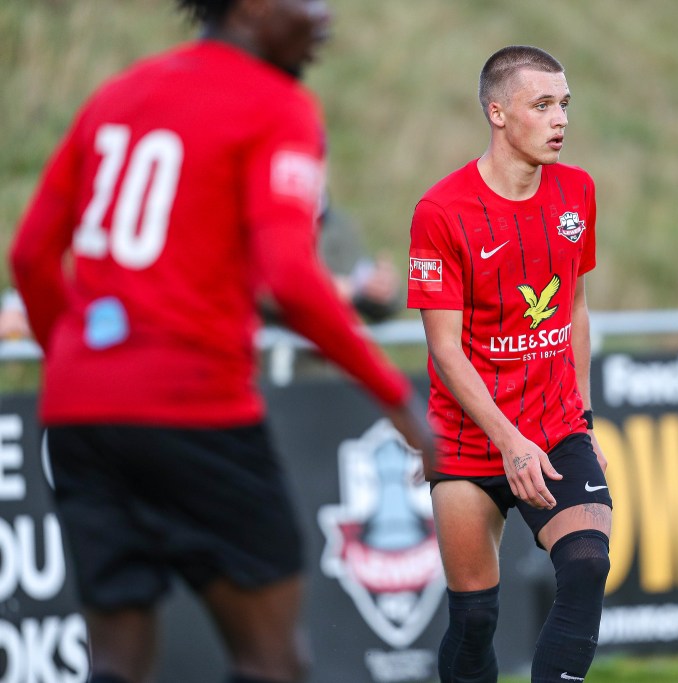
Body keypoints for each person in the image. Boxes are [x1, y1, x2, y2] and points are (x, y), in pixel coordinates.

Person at [8, 1, 434, 682]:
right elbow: (290, 278)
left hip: (80, 412)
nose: (326, 16)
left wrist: (80, 357)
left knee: (115, 661)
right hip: (195, 404)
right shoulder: (276, 106)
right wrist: (400, 401)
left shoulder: (118, 94)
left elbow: (31, 256)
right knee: (272, 661)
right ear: (252, 9)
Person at [407, 45, 612, 683]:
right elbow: (444, 348)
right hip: (470, 438)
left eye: (565, 104)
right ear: (497, 113)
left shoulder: (578, 192)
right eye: (542, 105)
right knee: (475, 621)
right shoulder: (440, 212)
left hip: (556, 426)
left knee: (586, 565)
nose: (561, 119)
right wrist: (509, 443)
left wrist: (582, 420)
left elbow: (575, 307)